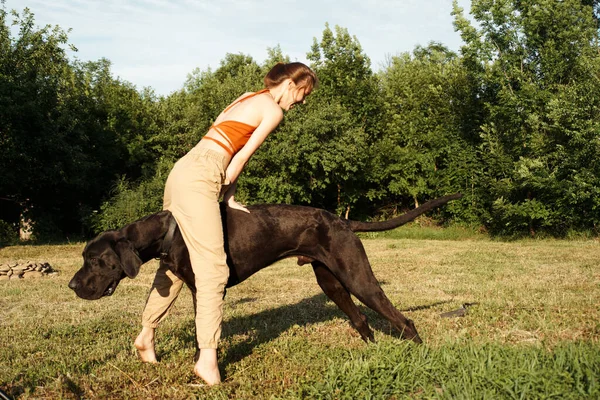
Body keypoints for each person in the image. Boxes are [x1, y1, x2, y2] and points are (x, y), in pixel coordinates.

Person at [133, 62, 317, 385]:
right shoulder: (273, 111)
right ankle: (207, 360)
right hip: (203, 175)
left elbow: (222, 139)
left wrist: (228, 198)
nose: (300, 102)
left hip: (182, 170)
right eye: (302, 94)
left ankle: (146, 334)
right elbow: (238, 159)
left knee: (176, 261)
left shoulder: (248, 97)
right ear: (290, 84)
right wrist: (225, 186)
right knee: (213, 269)